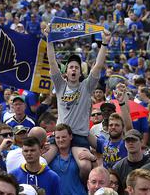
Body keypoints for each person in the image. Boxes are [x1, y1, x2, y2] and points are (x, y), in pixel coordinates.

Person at [45, 26, 109, 178]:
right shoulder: (60, 85)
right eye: (71, 67)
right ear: (66, 72)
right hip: (59, 136)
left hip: (79, 136)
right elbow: (52, 62)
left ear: (80, 72)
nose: (73, 69)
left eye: (76, 67)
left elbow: (98, 65)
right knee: (42, 161)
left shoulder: (86, 86)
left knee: (85, 166)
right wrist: (49, 39)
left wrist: (104, 44)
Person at [49, 124, 87, 195]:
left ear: (70, 137)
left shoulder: (78, 153)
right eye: (57, 137)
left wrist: (92, 157)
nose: (61, 140)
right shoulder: (51, 157)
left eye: (64, 137)